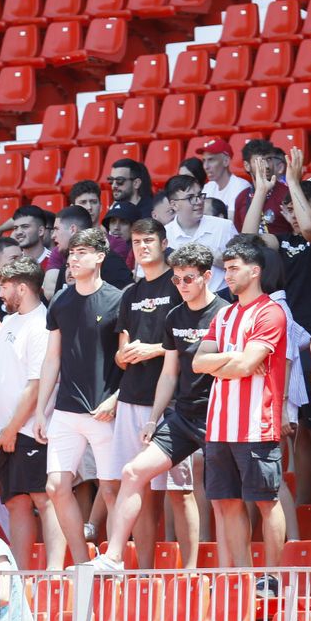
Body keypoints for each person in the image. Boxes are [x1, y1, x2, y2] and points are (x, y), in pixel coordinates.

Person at [82, 244, 223, 572]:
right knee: (132, 472)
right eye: (176, 280)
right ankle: (114, 558)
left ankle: (206, 572)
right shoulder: (175, 316)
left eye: (189, 278)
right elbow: (170, 373)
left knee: (218, 495)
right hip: (182, 414)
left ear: (206, 277)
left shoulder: (223, 314)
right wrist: (154, 418)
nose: (182, 285)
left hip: (218, 415)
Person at [193, 239, 294, 580]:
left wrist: (226, 362)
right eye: (227, 268)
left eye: (234, 268)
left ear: (255, 271)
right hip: (220, 425)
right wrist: (232, 360)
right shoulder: (223, 313)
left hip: (256, 423)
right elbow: (197, 362)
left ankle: (274, 577)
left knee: (266, 501)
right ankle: (243, 576)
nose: (228, 275)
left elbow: (247, 364)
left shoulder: (271, 312)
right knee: (226, 502)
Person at [33, 228, 123, 568]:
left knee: (112, 490)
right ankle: (84, 561)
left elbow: (127, 358)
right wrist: (42, 410)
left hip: (105, 411)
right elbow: (52, 358)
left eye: (82, 252)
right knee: (56, 486)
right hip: (67, 410)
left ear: (100, 257)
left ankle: (113, 561)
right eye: (71, 253)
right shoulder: (60, 300)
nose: (73, 259)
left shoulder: (118, 299)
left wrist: (116, 399)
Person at [107, 219, 184, 555]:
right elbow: (121, 354)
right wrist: (125, 353)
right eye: (136, 242)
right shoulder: (132, 293)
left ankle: (191, 571)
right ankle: (145, 571)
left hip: (174, 401)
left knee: (182, 491)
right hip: (132, 396)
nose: (142, 247)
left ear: (164, 243)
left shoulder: (179, 285)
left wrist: (153, 349)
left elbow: (190, 341)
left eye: (148, 240)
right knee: (135, 484)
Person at [0, 256, 57, 569]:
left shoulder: (42, 325)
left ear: (22, 288)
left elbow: (36, 385)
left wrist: (11, 429)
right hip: (3, 431)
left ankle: (54, 573)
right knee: (15, 503)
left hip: (28, 430)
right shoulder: (9, 321)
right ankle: (22, 578)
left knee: (43, 499)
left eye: (5, 286)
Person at [163, 174, 239, 292]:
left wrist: (224, 264)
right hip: (181, 301)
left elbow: (243, 268)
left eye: (200, 195)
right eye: (191, 198)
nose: (199, 201)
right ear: (174, 205)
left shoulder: (224, 227)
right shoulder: (164, 235)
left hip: (221, 299)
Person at [197, 138, 251, 216]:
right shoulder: (208, 187)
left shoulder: (241, 187)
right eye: (204, 161)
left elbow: (233, 222)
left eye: (211, 160)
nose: (205, 166)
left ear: (226, 161)